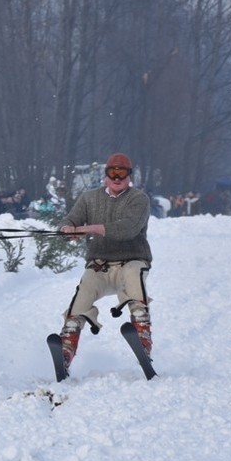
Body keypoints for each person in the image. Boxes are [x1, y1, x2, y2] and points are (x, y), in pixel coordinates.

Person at [56, 153, 154, 374]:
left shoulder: (138, 199)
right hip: (100, 264)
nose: (117, 178)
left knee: (134, 278)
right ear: (106, 175)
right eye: (112, 173)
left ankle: (143, 335)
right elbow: (71, 219)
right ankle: (66, 347)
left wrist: (90, 229)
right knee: (83, 292)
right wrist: (67, 229)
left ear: (129, 177)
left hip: (132, 259)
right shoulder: (89, 198)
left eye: (122, 173)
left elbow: (128, 228)